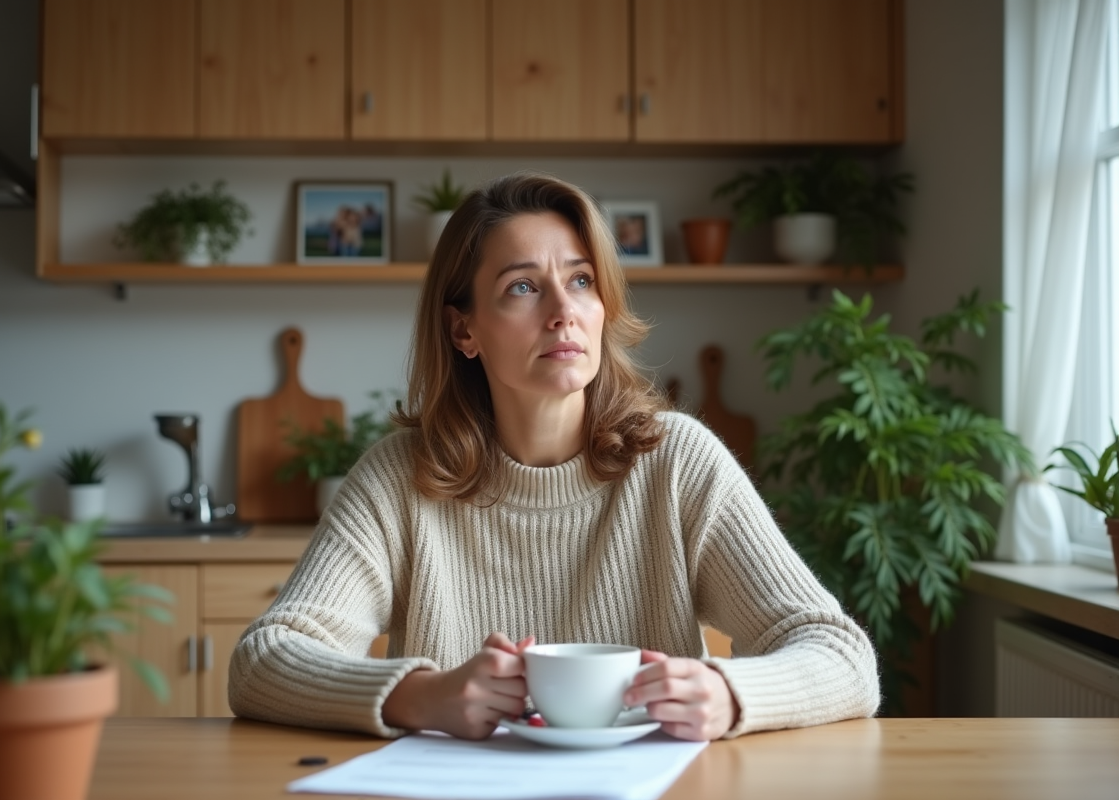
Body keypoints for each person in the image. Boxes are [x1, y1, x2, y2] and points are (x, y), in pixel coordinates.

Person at [228, 172, 879, 742]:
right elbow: (263, 661)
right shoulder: (400, 478)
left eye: (582, 280)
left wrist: (731, 694)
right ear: (464, 329)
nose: (564, 311)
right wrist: (422, 696)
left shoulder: (679, 462)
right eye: (522, 287)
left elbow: (843, 656)